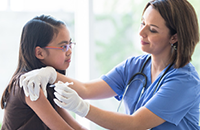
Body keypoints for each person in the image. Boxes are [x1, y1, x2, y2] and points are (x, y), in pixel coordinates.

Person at [20, 0, 200, 129]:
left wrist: (82, 108)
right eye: (142, 23)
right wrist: (50, 73)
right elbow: (87, 89)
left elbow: (136, 124)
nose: (141, 32)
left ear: (174, 37)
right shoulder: (135, 66)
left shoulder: (184, 82)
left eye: (152, 29)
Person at [0, 15, 87, 130]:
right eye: (63, 46)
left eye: (70, 44)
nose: (70, 51)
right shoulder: (29, 85)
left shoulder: (48, 86)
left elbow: (77, 127)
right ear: (40, 53)